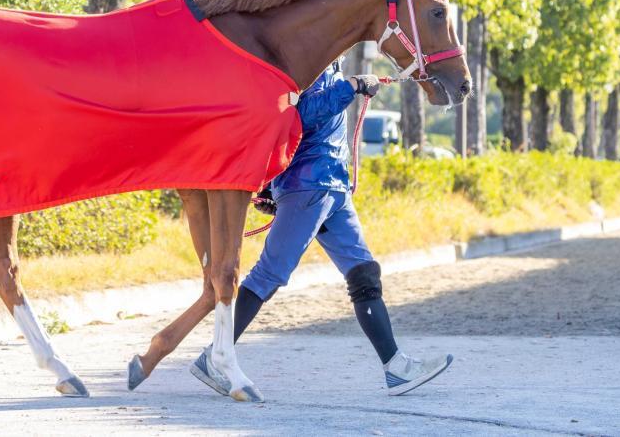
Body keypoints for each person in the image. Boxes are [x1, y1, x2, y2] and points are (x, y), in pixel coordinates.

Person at [190, 59, 452, 397]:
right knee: (268, 275)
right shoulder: (306, 61)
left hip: (332, 187)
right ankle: (216, 355)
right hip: (309, 185)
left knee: (364, 273)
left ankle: (396, 367)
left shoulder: (329, 59)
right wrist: (352, 87)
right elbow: (298, 117)